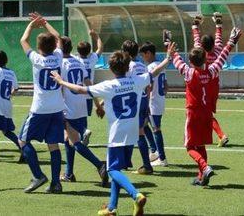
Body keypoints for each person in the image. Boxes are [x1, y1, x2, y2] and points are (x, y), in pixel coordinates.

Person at [52, 49, 170, 216]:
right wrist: (167, 59)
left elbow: (80, 89)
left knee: (111, 170)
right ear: (128, 65)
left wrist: (61, 81)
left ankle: (135, 195)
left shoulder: (109, 85)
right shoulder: (136, 81)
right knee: (118, 169)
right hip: (132, 132)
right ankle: (111, 208)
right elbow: (154, 72)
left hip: (117, 133)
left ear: (110, 67)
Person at [169, 26, 241, 186]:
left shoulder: (189, 73)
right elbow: (222, 56)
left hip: (193, 113)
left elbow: (176, 60)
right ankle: (201, 177)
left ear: (191, 61)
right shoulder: (212, 71)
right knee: (200, 145)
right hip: (207, 113)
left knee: (189, 146)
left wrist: (168, 45)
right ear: (205, 58)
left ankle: (204, 167)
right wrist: (231, 42)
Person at [18, 12, 65, 193]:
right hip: (57, 108)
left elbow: (23, 40)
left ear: (39, 48)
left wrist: (32, 24)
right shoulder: (59, 56)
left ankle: (38, 175)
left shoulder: (37, 59)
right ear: (54, 45)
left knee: (23, 142)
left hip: (40, 109)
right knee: (53, 145)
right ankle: (56, 183)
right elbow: (58, 38)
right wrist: (45, 22)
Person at [58, 36, 108, 185]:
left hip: (69, 106)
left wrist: (59, 107)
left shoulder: (61, 64)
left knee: (75, 141)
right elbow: (88, 84)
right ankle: (69, 173)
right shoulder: (78, 62)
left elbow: (61, 87)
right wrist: (97, 104)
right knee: (68, 139)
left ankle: (99, 165)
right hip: (81, 104)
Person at [122, 39, 171, 175]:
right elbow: (157, 86)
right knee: (140, 130)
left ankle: (157, 158)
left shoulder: (130, 66)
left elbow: (126, 84)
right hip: (148, 101)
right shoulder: (142, 66)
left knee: (142, 131)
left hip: (138, 103)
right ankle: (149, 154)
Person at [191, 13, 229, 145]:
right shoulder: (218, 50)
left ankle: (221, 135)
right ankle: (219, 135)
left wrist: (195, 25)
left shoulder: (200, 53)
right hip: (214, 85)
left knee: (205, 113)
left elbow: (196, 39)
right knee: (208, 113)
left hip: (202, 85)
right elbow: (218, 38)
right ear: (213, 44)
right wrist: (218, 24)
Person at [139, 42, 168, 167]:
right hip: (159, 101)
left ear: (148, 53)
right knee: (144, 125)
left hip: (153, 103)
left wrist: (147, 101)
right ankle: (154, 151)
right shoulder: (161, 66)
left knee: (156, 129)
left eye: (143, 55)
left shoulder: (150, 68)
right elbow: (166, 86)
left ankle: (162, 158)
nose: (142, 58)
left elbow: (149, 87)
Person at [74, 30, 103, 144]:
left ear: (78, 51)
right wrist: (96, 36)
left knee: (74, 116)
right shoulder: (92, 59)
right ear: (89, 51)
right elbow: (100, 48)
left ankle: (83, 132)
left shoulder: (75, 60)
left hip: (78, 92)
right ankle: (83, 134)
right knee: (84, 116)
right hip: (89, 93)